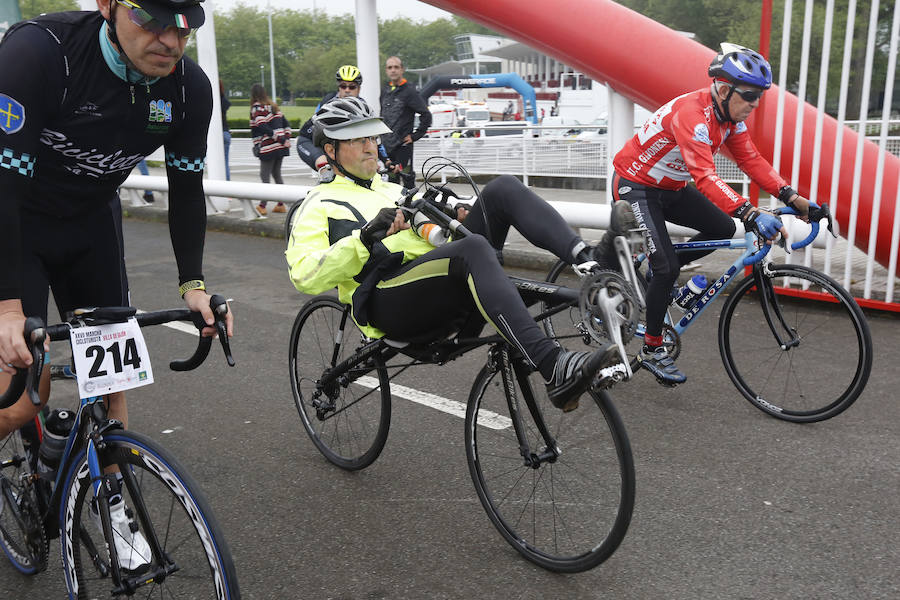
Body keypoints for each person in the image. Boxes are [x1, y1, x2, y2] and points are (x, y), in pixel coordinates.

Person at [0, 0, 234, 571]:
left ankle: (112, 504)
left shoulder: (186, 88)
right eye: (150, 16)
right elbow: (4, 189)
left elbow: (185, 189)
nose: (170, 37)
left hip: (89, 223)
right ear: (107, 6)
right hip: (15, 219)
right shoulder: (38, 53)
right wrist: (7, 307)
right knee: (20, 394)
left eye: (185, 22)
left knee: (111, 375)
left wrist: (194, 287)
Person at [285, 97, 623, 413]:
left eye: (372, 138)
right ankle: (554, 367)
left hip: (438, 283)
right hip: (386, 300)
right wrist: (362, 239)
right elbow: (304, 275)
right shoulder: (318, 203)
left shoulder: (395, 189)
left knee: (502, 190)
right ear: (330, 149)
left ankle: (592, 261)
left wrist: (458, 212)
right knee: (472, 249)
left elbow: (433, 230)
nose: (371, 147)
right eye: (358, 140)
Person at [592, 43, 810, 385]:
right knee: (666, 265)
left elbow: (751, 160)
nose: (754, 104)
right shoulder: (692, 115)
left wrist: (791, 195)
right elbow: (706, 177)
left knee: (721, 227)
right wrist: (751, 212)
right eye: (750, 95)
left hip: (671, 187)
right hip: (637, 185)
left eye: (759, 97)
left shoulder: (729, 118)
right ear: (724, 90)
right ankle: (651, 348)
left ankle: (654, 269)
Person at [296, 64, 388, 181]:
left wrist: (386, 160)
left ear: (359, 89)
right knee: (327, 168)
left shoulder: (362, 107)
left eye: (352, 87)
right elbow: (319, 135)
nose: (347, 90)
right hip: (309, 142)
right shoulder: (329, 104)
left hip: (335, 147)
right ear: (338, 87)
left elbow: (374, 137)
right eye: (343, 86)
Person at [380, 56, 431, 189]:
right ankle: (394, 209)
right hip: (387, 145)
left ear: (402, 70)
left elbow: (426, 115)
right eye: (390, 67)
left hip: (403, 146)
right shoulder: (385, 89)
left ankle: (410, 209)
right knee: (391, 182)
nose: (393, 70)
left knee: (407, 179)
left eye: (396, 67)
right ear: (386, 70)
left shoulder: (409, 91)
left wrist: (415, 135)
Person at [250, 83, 290, 215]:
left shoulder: (257, 108)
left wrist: (278, 139)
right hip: (281, 147)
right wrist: (285, 139)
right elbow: (286, 124)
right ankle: (280, 204)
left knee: (264, 175)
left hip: (268, 146)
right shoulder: (274, 106)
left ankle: (262, 205)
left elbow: (262, 126)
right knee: (276, 174)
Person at [220, 80, 231, 180]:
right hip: (226, 132)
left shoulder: (209, 99)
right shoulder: (224, 101)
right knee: (225, 162)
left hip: (216, 134)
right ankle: (228, 185)